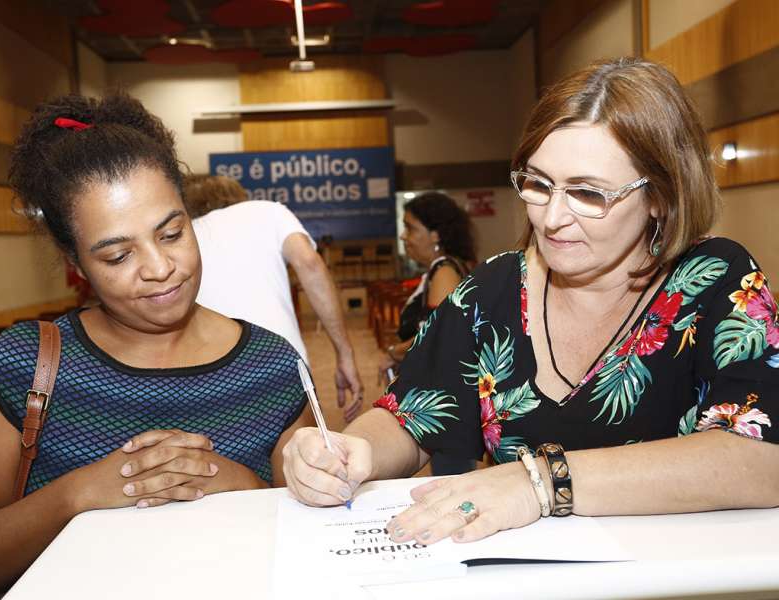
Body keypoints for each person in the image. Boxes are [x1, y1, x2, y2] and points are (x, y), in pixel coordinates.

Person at [281, 57, 779, 546]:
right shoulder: (491, 291)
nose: (552, 217)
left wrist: (539, 483)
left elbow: (762, 460)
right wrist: (349, 450)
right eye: (538, 184)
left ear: (661, 196)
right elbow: (413, 416)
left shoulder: (714, 280)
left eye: (587, 193)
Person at [0, 93, 313, 594]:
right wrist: (78, 495)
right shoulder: (24, 365)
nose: (159, 269)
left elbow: (314, 545)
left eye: (173, 233)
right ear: (75, 260)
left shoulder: (272, 364)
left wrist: (241, 485)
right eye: (117, 256)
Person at [186, 175, 364, 422]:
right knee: (309, 454)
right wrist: (344, 353)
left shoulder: (184, 235)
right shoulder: (268, 211)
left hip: (213, 374)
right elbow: (310, 264)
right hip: (281, 361)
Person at [377, 192, 476, 474]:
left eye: (410, 228)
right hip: (444, 396)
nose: (403, 236)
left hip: (445, 400)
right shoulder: (444, 268)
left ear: (435, 234)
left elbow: (434, 336)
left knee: (451, 477)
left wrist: (393, 352)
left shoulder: (444, 271)